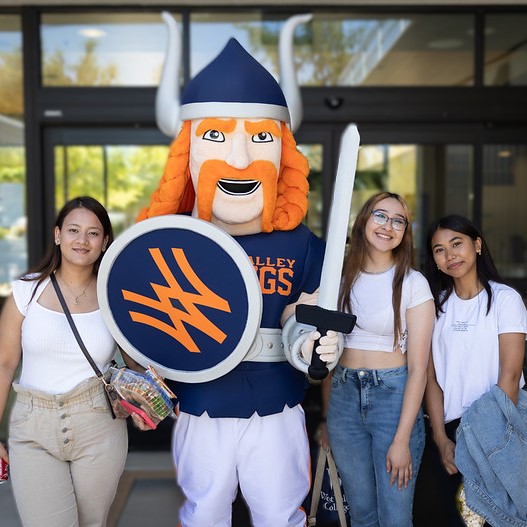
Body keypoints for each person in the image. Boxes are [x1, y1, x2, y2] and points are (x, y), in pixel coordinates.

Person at [133, 37, 341, 527]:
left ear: (282, 155)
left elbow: (303, 312)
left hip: (277, 405)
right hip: (200, 404)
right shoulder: (171, 242)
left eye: (262, 139)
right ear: (188, 153)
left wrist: (315, 340)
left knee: (279, 514)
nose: (242, 158)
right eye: (217, 137)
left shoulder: (303, 245)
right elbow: (145, 319)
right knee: (204, 512)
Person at [0, 196, 142, 527]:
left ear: (105, 241)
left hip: (99, 426)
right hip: (33, 427)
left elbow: (135, 362)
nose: (82, 240)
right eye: (74, 230)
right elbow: (4, 364)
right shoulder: (26, 291)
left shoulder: (115, 296)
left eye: (93, 233)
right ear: (57, 235)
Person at [320, 191, 435, 527]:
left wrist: (402, 440)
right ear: (364, 221)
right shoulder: (339, 281)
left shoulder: (414, 284)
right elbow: (328, 357)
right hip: (343, 398)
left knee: (395, 517)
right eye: (380, 215)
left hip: (393, 401)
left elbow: (419, 370)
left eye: (399, 220)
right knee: (361, 515)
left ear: (405, 232)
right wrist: (327, 417)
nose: (389, 226)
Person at [423, 214, 527, 526]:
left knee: (498, 517)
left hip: (499, 430)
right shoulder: (435, 307)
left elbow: (509, 377)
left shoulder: (506, 301)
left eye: (457, 244)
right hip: (450, 431)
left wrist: (481, 443)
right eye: (439, 250)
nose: (450, 254)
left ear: (477, 245)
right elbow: (431, 378)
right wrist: (441, 440)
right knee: (437, 513)